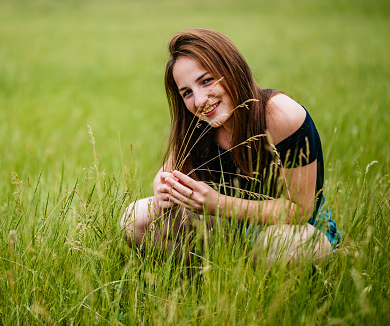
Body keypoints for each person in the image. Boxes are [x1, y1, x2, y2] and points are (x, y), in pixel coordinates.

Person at [120, 28, 340, 268]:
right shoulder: (197, 124)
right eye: (187, 93)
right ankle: (202, 280)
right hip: (228, 227)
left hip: (294, 231)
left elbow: (299, 210)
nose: (200, 100)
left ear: (232, 69)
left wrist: (217, 204)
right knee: (135, 218)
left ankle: (253, 286)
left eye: (206, 81)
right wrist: (163, 190)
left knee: (277, 246)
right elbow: (165, 177)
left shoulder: (281, 116)